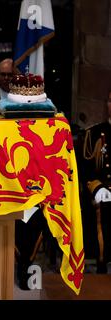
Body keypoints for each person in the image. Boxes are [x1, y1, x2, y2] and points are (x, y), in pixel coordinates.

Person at [82, 90, 111, 273]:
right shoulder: (94, 134)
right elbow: (86, 170)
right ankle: (101, 262)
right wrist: (97, 187)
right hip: (104, 192)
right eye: (110, 100)